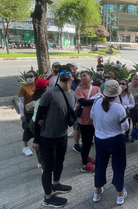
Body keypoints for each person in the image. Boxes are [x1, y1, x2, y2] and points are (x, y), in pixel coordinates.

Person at [32, 65, 76, 208]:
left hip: (62, 136)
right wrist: (37, 139)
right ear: (59, 77)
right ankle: (48, 197)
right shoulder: (49, 94)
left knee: (60, 161)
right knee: (48, 167)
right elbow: (39, 116)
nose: (64, 76)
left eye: (67, 73)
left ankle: (56, 184)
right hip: (47, 138)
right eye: (62, 73)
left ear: (72, 77)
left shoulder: (74, 95)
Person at [90, 80, 129, 205]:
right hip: (116, 141)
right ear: (117, 94)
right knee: (118, 167)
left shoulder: (96, 102)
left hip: (100, 140)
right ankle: (119, 194)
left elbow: (92, 117)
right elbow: (125, 128)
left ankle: (97, 192)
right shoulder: (119, 108)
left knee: (100, 166)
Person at [75, 70, 101, 173]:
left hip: (96, 120)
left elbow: (100, 100)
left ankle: (87, 157)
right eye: (81, 76)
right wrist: (95, 100)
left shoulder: (96, 88)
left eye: (85, 76)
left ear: (90, 78)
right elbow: (83, 102)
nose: (83, 78)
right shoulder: (78, 90)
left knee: (97, 141)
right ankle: (84, 164)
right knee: (86, 143)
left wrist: (91, 101)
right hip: (84, 121)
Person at [29, 78, 49, 168]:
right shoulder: (43, 99)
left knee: (39, 143)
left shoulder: (37, 97)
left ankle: (40, 162)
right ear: (44, 88)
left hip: (33, 122)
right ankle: (43, 165)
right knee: (40, 144)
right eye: (47, 86)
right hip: (37, 123)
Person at [19, 70, 37, 157]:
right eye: (28, 76)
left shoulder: (39, 86)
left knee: (38, 129)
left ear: (35, 77)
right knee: (28, 129)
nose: (29, 78)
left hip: (38, 112)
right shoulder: (24, 88)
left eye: (31, 76)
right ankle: (25, 147)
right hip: (28, 112)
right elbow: (21, 103)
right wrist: (22, 114)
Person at [128, 73, 138, 142]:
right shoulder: (128, 87)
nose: (135, 81)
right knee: (127, 122)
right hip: (128, 107)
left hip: (136, 107)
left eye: (137, 79)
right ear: (131, 80)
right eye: (134, 79)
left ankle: (134, 135)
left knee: (135, 122)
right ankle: (126, 134)